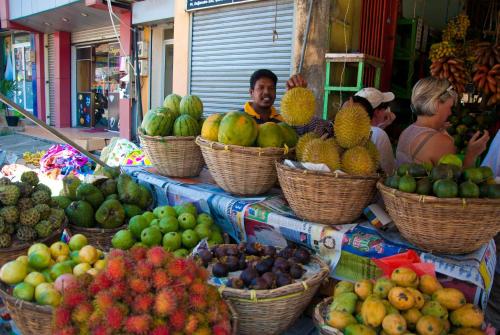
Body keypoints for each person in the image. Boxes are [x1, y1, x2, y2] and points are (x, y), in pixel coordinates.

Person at [396, 77, 489, 168]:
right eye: (449, 107)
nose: (450, 112)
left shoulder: (406, 132)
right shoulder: (442, 142)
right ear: (436, 104)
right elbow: (455, 181)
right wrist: (471, 155)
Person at [244, 69, 332, 136]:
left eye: (271, 88)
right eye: (261, 87)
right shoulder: (240, 118)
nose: (266, 92)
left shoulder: (283, 121)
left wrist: (297, 96)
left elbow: (317, 125)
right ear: (251, 92)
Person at [352, 88, 397, 175]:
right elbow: (388, 171)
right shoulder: (379, 134)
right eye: (386, 108)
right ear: (377, 112)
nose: (388, 111)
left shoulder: (356, 131)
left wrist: (382, 127)